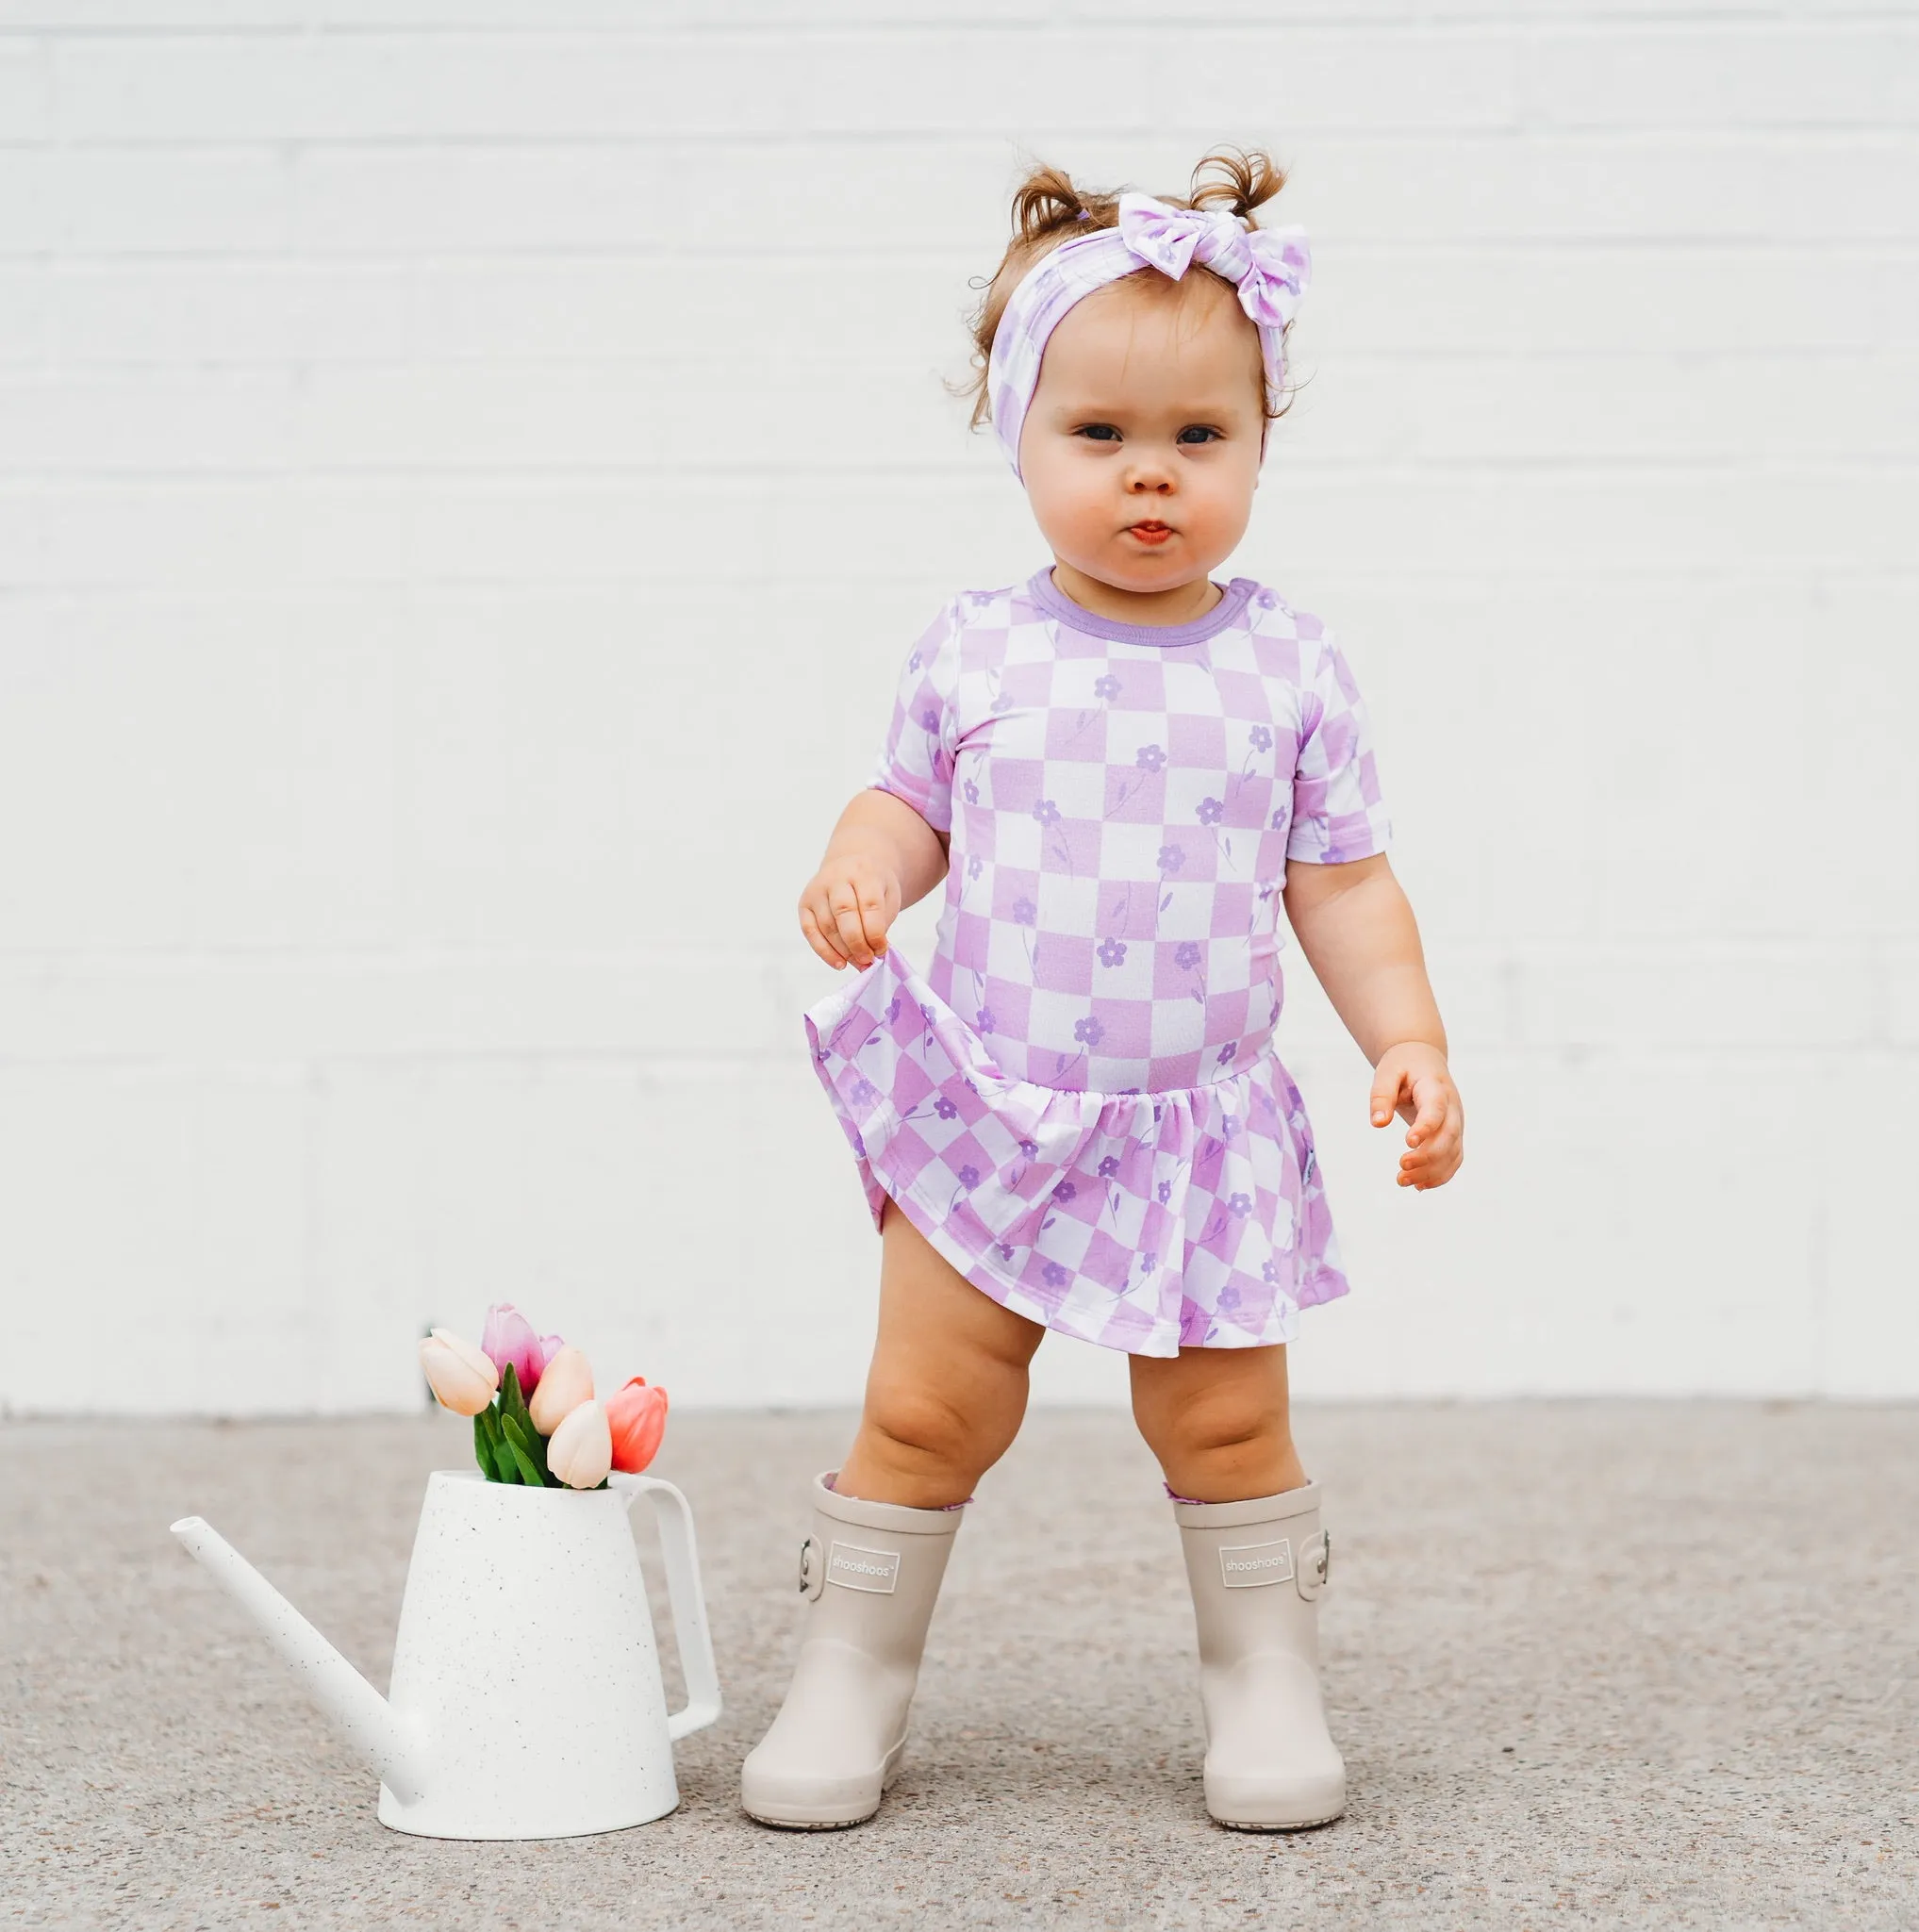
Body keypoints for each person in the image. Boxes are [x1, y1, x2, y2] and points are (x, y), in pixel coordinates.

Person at [741, 146, 1464, 1834]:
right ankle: (852, 1668)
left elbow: (1342, 880)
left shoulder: (1286, 667)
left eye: (1199, 439)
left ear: (1261, 443)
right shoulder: (977, 649)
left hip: (1198, 1128)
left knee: (1223, 1421)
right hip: (991, 1101)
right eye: (1100, 438)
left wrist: (1408, 1037)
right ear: (1017, 435)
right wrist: (866, 870)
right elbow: (907, 804)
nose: (1152, 479)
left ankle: (1261, 1678)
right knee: (925, 1404)